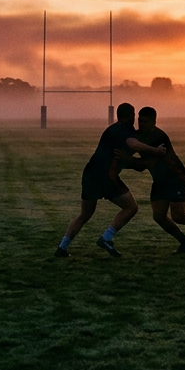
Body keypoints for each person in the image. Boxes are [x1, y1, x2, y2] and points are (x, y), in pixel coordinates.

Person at [55, 102, 167, 258]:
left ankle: (62, 248)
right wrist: (157, 151)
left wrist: (129, 161)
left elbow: (119, 159)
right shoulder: (124, 130)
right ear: (131, 116)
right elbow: (132, 143)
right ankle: (106, 238)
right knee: (131, 208)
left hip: (90, 174)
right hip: (105, 176)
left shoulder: (111, 129)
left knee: (85, 214)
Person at [126, 107, 185, 253]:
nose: (141, 124)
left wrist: (125, 161)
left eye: (145, 121)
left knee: (178, 216)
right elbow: (135, 152)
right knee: (159, 217)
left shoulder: (160, 137)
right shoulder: (139, 136)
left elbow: (145, 164)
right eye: (140, 121)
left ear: (154, 122)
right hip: (160, 181)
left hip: (175, 178)